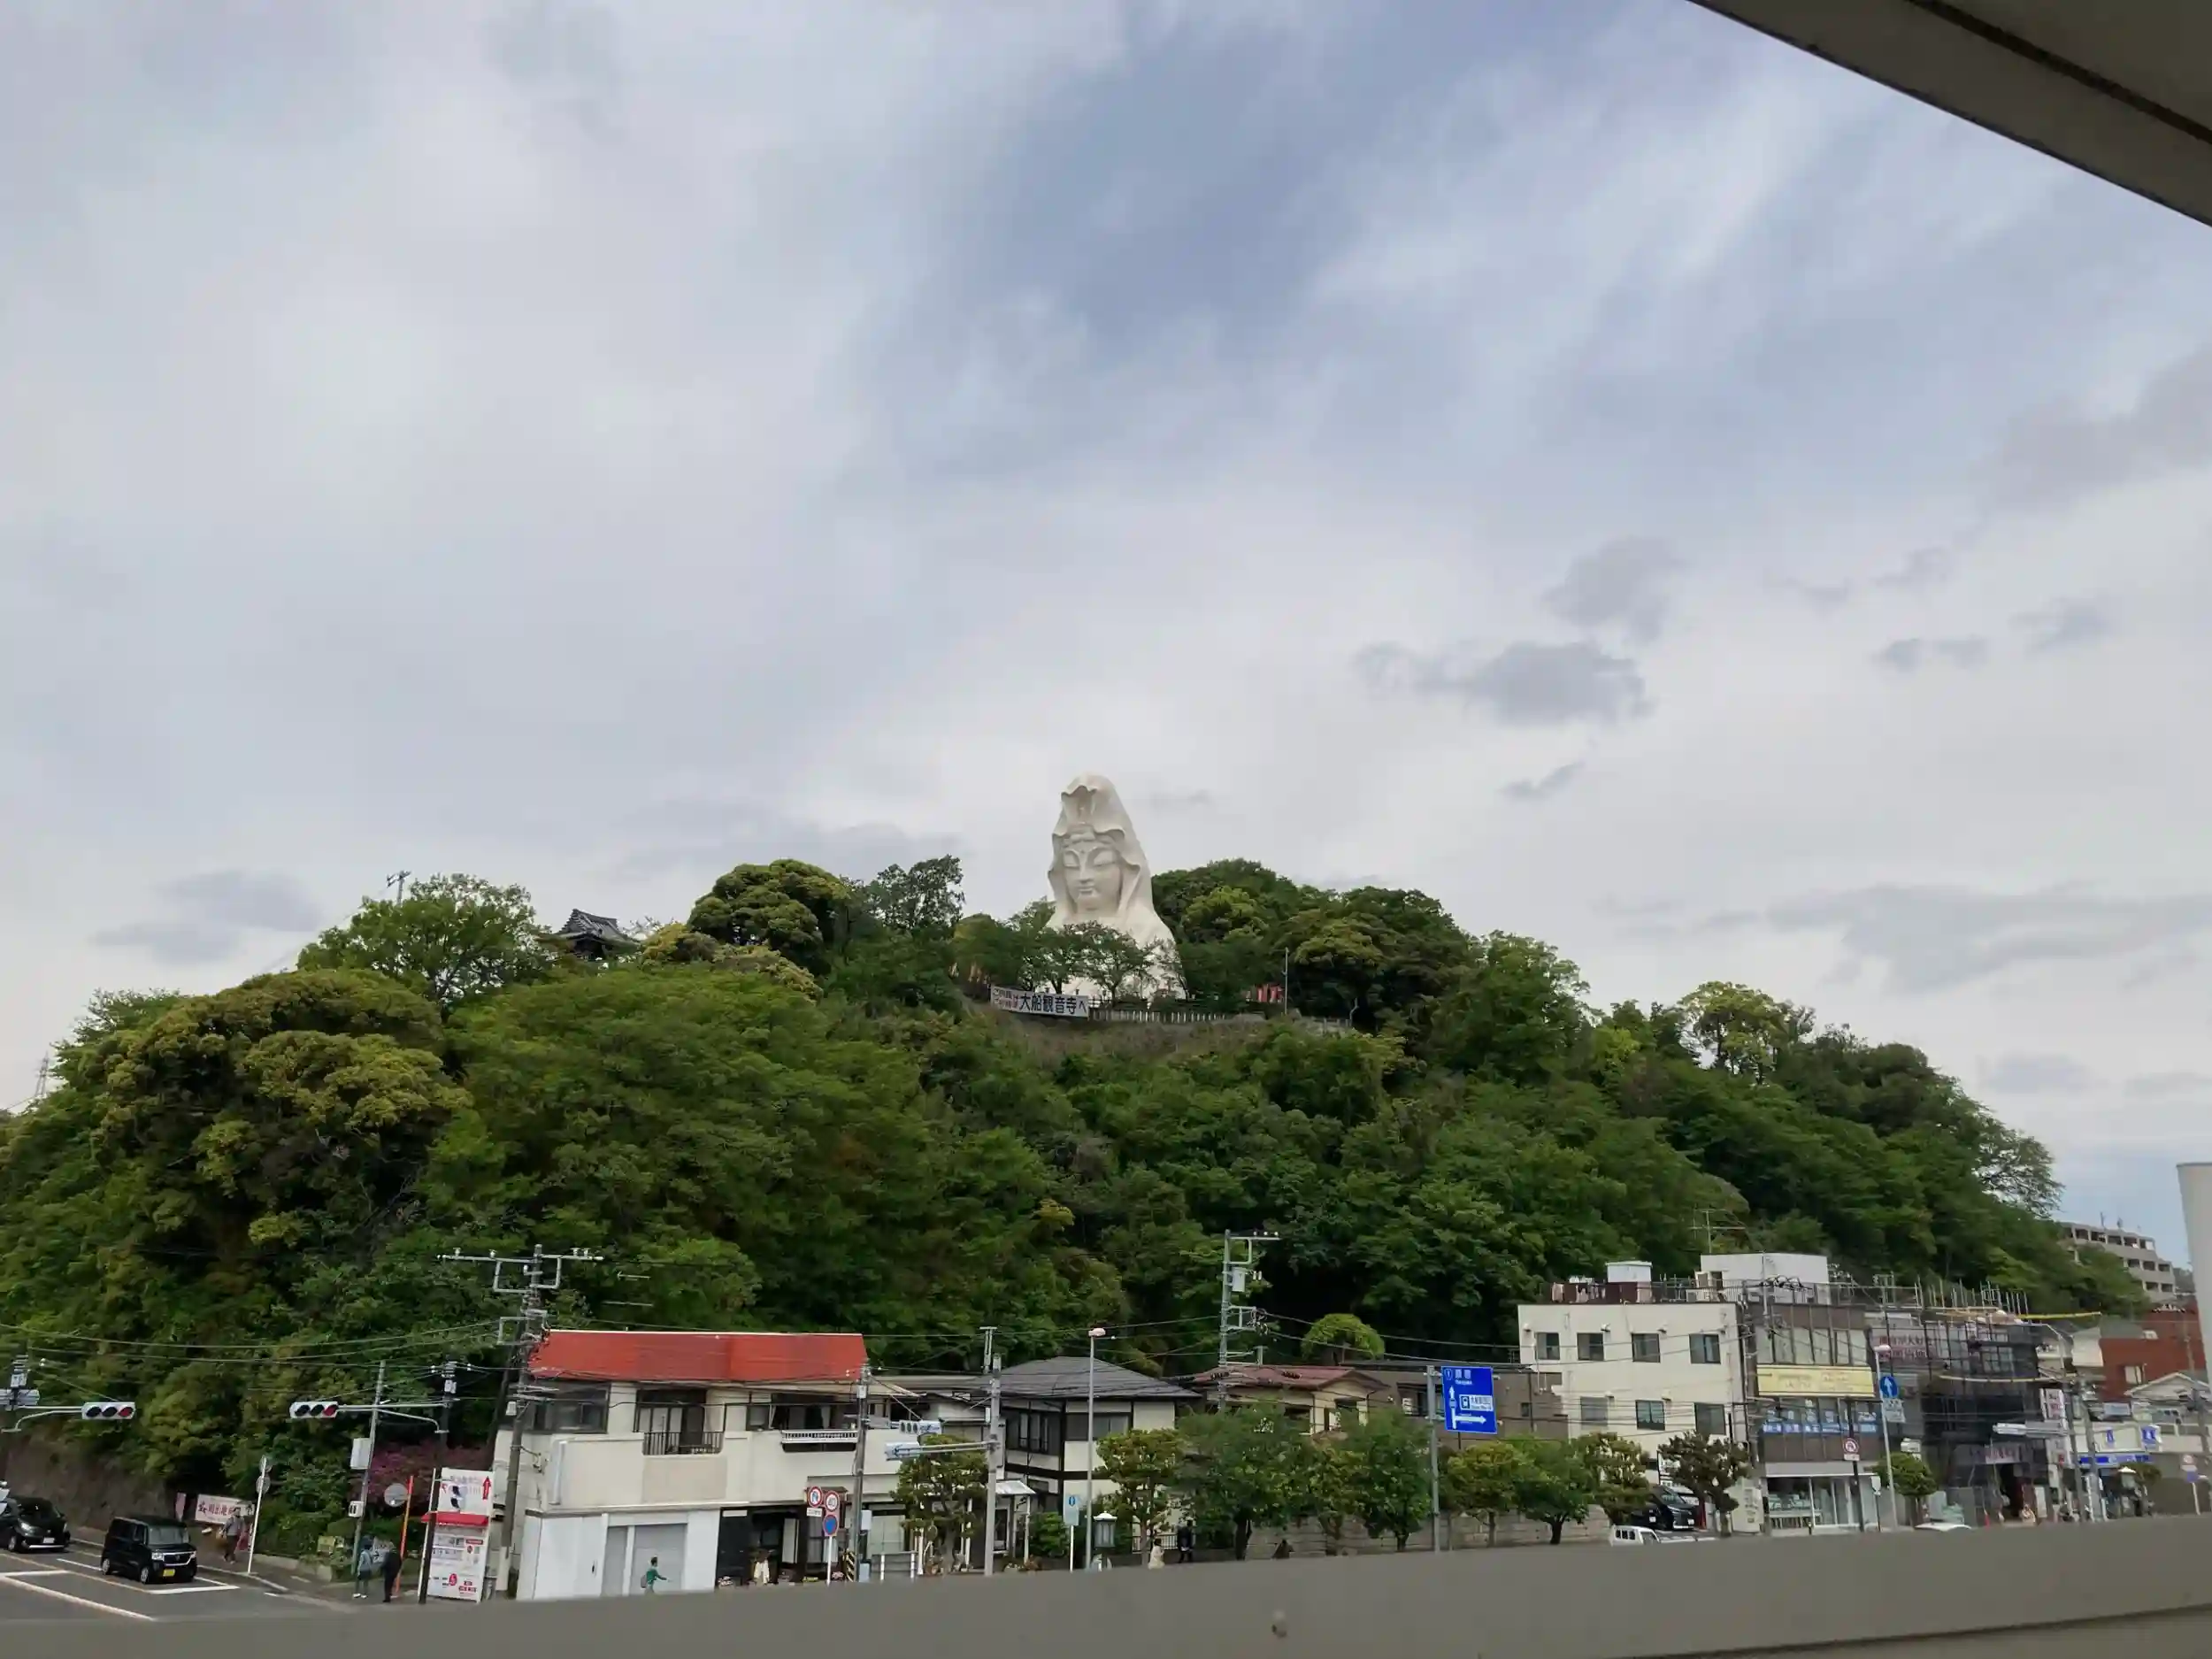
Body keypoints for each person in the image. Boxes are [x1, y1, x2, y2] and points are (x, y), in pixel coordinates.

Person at [380, 1539, 403, 1603]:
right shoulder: (397, 1554)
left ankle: (387, 1598)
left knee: (387, 1585)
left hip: (388, 1571)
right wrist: (397, 1569)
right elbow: (400, 1562)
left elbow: (385, 1563)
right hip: (394, 1572)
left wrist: (382, 1569)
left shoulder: (388, 1554)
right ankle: (389, 1593)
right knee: (391, 1583)